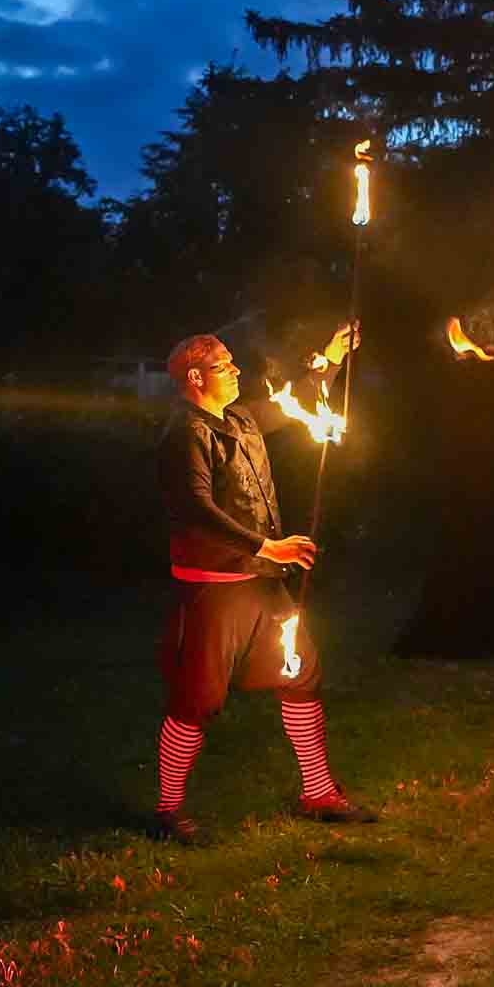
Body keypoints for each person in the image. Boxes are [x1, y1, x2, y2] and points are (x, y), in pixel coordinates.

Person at [153, 324, 377, 844]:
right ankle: (167, 811)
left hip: (260, 582)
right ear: (195, 376)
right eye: (225, 365)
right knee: (196, 698)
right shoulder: (184, 434)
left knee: (301, 676)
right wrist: (267, 546)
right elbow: (194, 509)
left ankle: (318, 793)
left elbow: (296, 398)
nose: (236, 371)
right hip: (214, 588)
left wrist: (332, 356)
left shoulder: (241, 419)